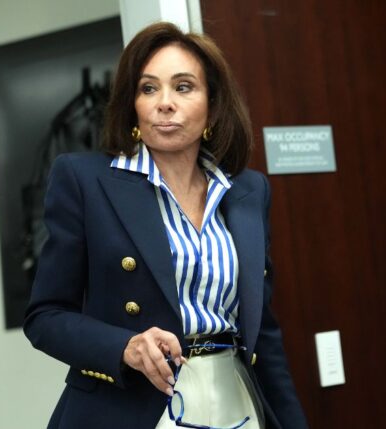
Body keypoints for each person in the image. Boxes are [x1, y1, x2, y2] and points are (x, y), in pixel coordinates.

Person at [24, 22, 307, 429]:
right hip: (132, 407)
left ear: (212, 102)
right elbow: (45, 316)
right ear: (132, 105)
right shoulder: (84, 180)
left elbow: (263, 333)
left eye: (184, 86)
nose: (165, 103)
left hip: (234, 399)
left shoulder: (247, 191)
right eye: (148, 88)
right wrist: (125, 346)